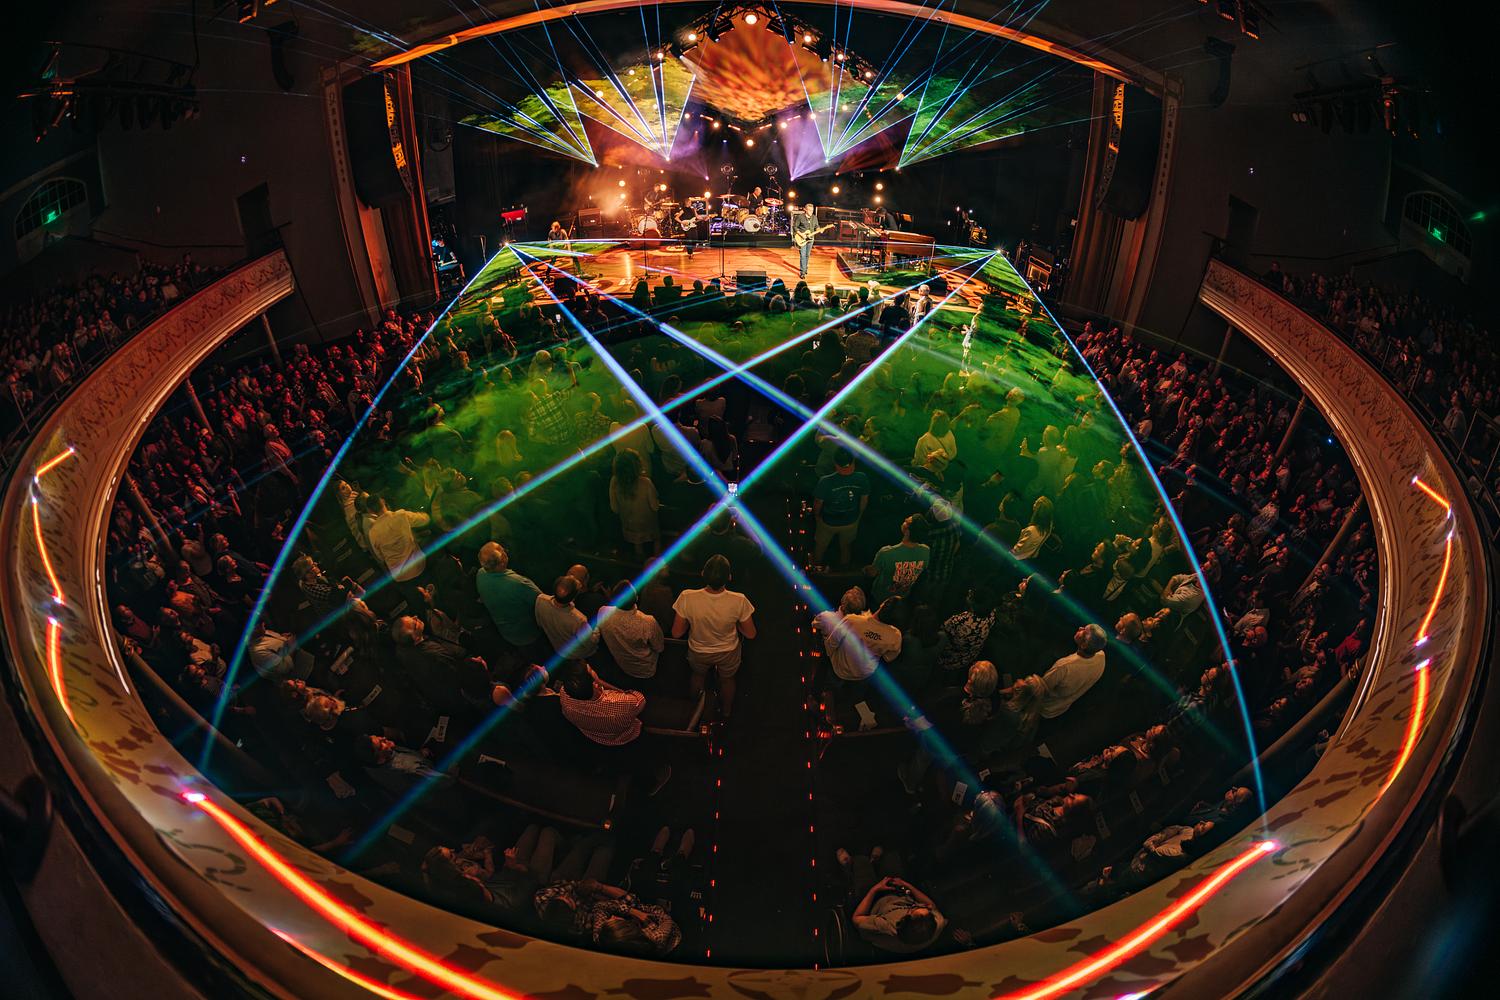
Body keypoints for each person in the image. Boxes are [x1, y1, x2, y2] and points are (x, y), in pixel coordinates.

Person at [671, 555, 756, 719]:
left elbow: (676, 632)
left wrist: (693, 619)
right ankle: (726, 711)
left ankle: (694, 710)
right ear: (729, 577)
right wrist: (736, 625)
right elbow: (751, 634)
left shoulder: (687, 597)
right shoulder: (739, 600)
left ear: (703, 573)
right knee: (727, 680)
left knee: (698, 676)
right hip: (728, 652)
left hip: (698, 651)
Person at [839, 848, 948, 954]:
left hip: (874, 900)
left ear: (904, 918)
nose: (927, 906)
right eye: (927, 910)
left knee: (861, 861)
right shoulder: (937, 923)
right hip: (898, 892)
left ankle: (850, 866)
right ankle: (875, 861)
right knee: (891, 856)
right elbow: (931, 905)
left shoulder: (886, 928)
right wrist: (906, 885)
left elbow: (856, 918)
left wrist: (875, 889)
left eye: (915, 908)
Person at [812, 588, 902, 685]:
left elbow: (831, 643)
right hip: (866, 674)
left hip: (841, 671)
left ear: (882, 604)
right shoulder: (896, 636)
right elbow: (888, 658)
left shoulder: (852, 620)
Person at [475, 542, 545, 654]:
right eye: (503, 551)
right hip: (529, 634)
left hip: (506, 633)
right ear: (502, 562)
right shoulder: (519, 583)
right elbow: (543, 603)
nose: (505, 551)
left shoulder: (480, 574)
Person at [811, 448, 870, 570]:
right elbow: (864, 500)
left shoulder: (825, 481)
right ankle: (844, 569)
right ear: (853, 462)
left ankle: (816, 568)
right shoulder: (862, 478)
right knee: (846, 546)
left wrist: (817, 517)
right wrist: (858, 516)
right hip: (851, 521)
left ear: (835, 464)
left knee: (820, 546)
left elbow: (817, 504)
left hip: (828, 523)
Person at [596, 582, 665, 684]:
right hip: (646, 671)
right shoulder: (648, 622)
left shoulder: (603, 612)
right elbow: (659, 647)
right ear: (636, 598)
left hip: (620, 666)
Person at [1038, 623, 1109, 719]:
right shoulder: (1101, 656)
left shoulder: (1064, 666)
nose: (1080, 628)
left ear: (1084, 645)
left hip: (1043, 710)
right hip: (1061, 710)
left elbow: (1040, 688)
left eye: (1084, 632)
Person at [365, 494, 430, 585]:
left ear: (370, 511)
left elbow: (380, 557)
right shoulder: (401, 515)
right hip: (418, 567)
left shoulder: (372, 533)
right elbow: (425, 520)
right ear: (383, 501)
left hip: (399, 576)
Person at [608, 448, 661, 558]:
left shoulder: (614, 482)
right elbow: (655, 507)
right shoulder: (646, 483)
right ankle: (657, 558)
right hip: (648, 526)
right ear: (637, 465)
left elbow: (614, 508)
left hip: (629, 526)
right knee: (657, 538)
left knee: (637, 542)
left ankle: (639, 555)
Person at [536, 574, 598, 664]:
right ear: (573, 597)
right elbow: (590, 643)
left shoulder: (540, 599)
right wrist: (597, 629)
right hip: (576, 654)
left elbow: (540, 623)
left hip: (557, 648)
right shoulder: (578, 620)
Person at [868, 514, 930, 603]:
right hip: (902, 598)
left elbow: (872, 573)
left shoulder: (886, 552)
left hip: (881, 598)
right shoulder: (926, 551)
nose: (905, 519)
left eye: (907, 522)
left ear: (908, 532)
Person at [791, 202, 829, 279]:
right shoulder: (800, 217)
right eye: (810, 210)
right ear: (805, 210)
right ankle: (802, 272)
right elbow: (795, 227)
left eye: (812, 210)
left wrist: (819, 230)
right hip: (802, 238)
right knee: (802, 255)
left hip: (811, 239)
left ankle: (805, 268)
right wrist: (801, 234)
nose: (811, 212)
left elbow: (817, 226)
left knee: (807, 255)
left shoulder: (814, 218)